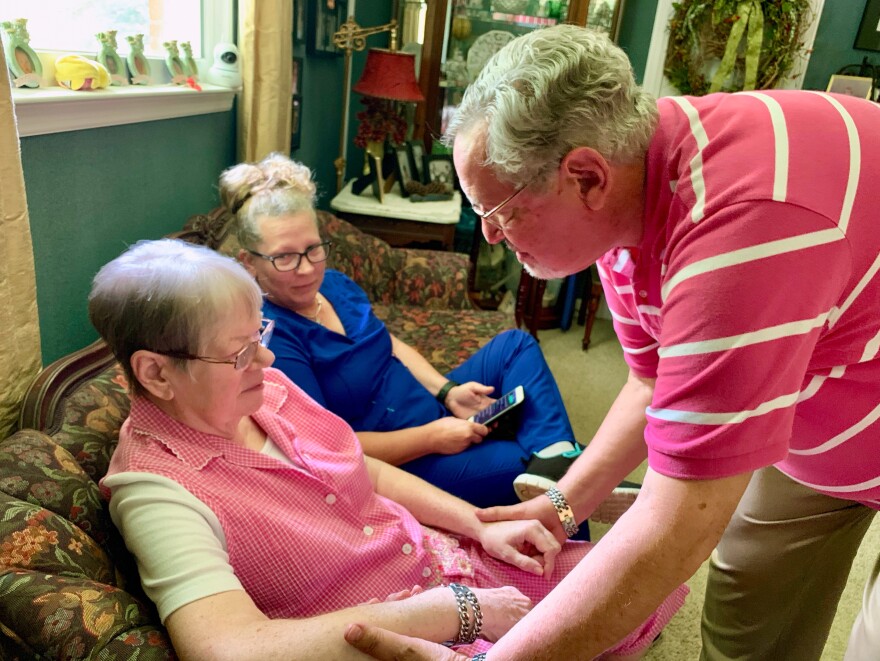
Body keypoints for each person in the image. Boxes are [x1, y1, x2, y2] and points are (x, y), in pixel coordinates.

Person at [343, 23, 880, 661]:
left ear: (587, 178)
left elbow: (676, 523)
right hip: (826, 417)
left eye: (501, 211)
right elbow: (651, 383)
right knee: (748, 602)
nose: (490, 236)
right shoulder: (628, 182)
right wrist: (563, 506)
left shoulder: (741, 232)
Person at [92, 239, 687, 660]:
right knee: (596, 610)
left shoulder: (265, 389)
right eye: (241, 352)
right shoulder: (155, 489)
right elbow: (228, 647)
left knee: (634, 584)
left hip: (446, 560)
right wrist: (457, 611)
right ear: (156, 373)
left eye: (261, 337)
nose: (269, 361)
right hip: (399, 631)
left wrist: (479, 527)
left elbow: (361, 466)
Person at [217, 153, 639, 513]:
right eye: (285, 258)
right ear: (248, 262)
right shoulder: (272, 342)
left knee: (516, 346)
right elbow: (329, 447)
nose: (307, 268)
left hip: (429, 409)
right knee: (528, 468)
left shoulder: (334, 284)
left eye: (313, 249)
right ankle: (570, 489)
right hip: (406, 460)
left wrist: (446, 391)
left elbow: (390, 344)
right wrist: (433, 438)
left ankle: (559, 460)